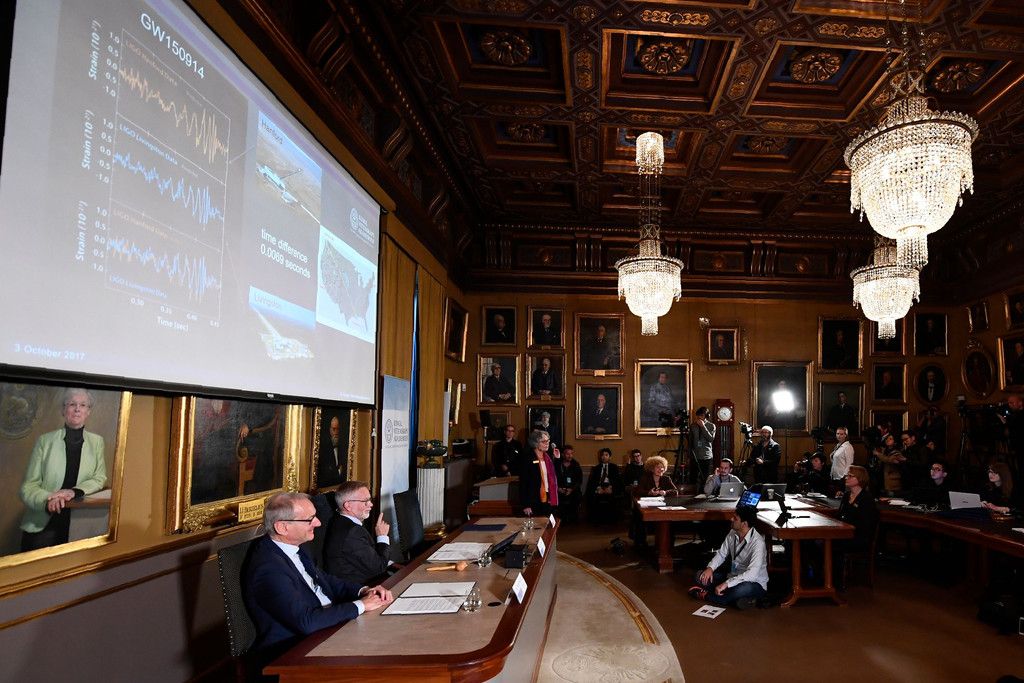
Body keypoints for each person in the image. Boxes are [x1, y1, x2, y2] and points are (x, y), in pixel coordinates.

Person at [243, 492, 392, 665]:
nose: (318, 523)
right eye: (310, 519)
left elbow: (325, 580)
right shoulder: (268, 568)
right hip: (295, 651)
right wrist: (361, 605)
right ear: (282, 527)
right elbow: (306, 622)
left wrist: (364, 591)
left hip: (328, 629)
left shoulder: (295, 546)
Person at [19, 388, 108, 552]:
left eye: (83, 405)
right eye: (72, 404)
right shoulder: (45, 441)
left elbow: (99, 478)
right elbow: (28, 487)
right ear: (63, 409)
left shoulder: (97, 442)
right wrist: (49, 499)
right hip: (44, 523)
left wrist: (73, 492)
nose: (77, 409)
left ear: (88, 411)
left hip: (80, 524)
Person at [688, 505, 768, 609]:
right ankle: (740, 601)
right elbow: (722, 554)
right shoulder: (732, 533)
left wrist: (727, 584)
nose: (731, 519)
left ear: (744, 524)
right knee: (699, 576)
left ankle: (707, 595)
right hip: (732, 576)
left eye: (735, 518)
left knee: (740, 590)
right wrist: (710, 568)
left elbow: (752, 575)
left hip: (753, 583)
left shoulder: (758, 543)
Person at [324, 481, 397, 585]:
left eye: (369, 500)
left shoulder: (341, 521)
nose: (371, 504)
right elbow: (379, 568)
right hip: (361, 587)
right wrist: (382, 536)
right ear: (348, 506)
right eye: (365, 501)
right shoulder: (351, 532)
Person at [835, 466, 878, 584]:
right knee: (822, 541)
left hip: (858, 538)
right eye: (847, 475)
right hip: (844, 534)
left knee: (831, 544)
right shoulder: (846, 496)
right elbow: (839, 516)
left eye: (850, 476)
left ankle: (836, 580)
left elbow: (865, 525)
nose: (847, 478)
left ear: (860, 479)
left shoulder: (866, 499)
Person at [519, 430, 559, 517]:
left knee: (548, 523)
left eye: (548, 441)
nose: (547, 443)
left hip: (548, 498)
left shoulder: (548, 458)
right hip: (533, 499)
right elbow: (523, 483)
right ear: (535, 443)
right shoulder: (528, 458)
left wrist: (557, 459)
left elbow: (555, 478)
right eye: (544, 441)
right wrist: (526, 505)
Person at [586, 447, 622, 523]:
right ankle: (595, 519)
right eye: (602, 455)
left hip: (610, 486)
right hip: (599, 486)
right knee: (591, 495)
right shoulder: (596, 468)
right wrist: (598, 488)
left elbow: (617, 480)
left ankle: (612, 519)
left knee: (616, 495)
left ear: (610, 457)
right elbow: (592, 481)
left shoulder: (614, 467)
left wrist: (611, 487)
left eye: (606, 455)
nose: (604, 457)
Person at [317, 415, 346, 488]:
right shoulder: (323, 449)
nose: (336, 432)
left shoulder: (344, 447)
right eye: (334, 429)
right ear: (330, 430)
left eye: (338, 429)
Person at [554, 444, 582, 522]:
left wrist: (571, 489)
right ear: (563, 454)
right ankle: (560, 519)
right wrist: (558, 488)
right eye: (567, 454)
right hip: (559, 489)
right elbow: (553, 479)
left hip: (572, 489)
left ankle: (572, 518)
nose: (570, 456)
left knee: (577, 496)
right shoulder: (557, 464)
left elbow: (579, 480)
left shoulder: (576, 465)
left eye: (571, 453)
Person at [690, 407, 716, 484]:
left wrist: (703, 426)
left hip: (706, 456)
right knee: (693, 478)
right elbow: (690, 441)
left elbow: (710, 439)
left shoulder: (711, 426)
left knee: (705, 479)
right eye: (698, 415)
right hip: (695, 456)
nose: (699, 417)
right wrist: (689, 455)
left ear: (706, 416)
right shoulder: (693, 426)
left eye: (701, 415)